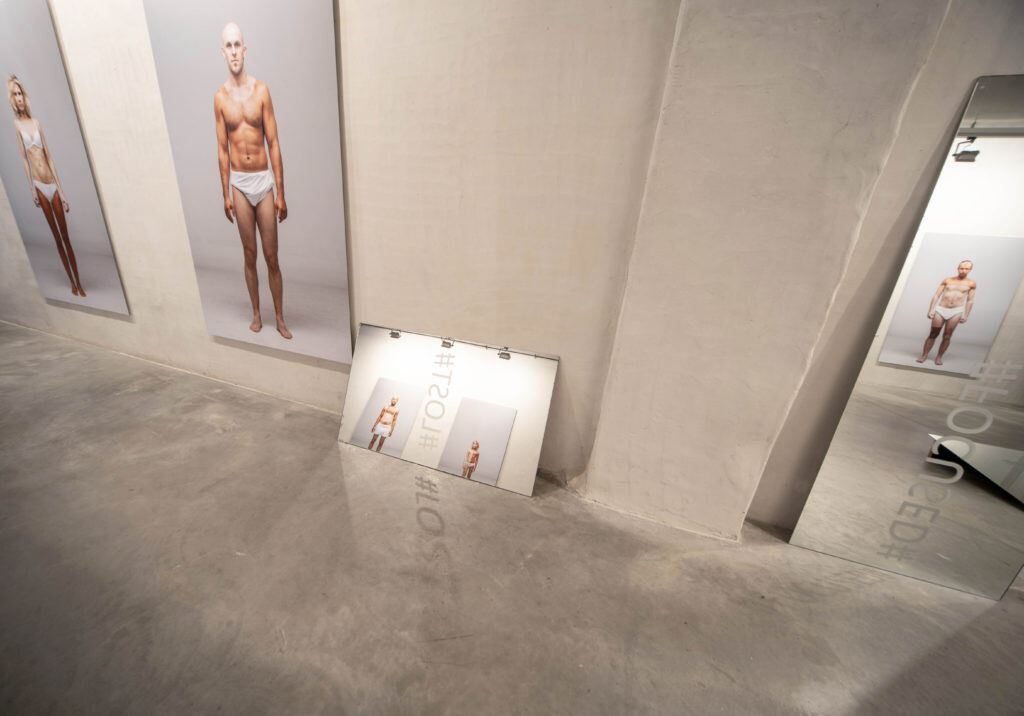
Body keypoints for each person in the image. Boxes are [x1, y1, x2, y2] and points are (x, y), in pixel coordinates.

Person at [214, 22, 291, 339]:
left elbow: (273, 143)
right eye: (228, 46)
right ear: (223, 52)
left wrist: (281, 192)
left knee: (272, 256)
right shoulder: (220, 98)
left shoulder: (262, 91)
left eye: (237, 45)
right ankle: (257, 314)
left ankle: (280, 318)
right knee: (249, 254)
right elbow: (222, 148)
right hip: (239, 184)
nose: (234, 51)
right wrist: (225, 194)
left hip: (263, 180)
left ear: (244, 50)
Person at [8, 75, 84, 297]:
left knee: (66, 238)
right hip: (40, 187)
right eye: (15, 94)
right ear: (12, 99)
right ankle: (72, 283)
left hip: (52, 184)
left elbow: (49, 157)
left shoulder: (37, 122)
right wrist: (32, 189)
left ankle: (80, 283)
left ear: (25, 97)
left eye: (21, 93)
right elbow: (24, 158)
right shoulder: (17, 124)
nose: (19, 98)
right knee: (57, 239)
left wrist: (62, 191)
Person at [917, 260, 976, 366]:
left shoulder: (971, 283)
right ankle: (924, 355)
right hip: (941, 309)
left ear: (970, 270)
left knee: (947, 336)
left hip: (956, 311)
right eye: (961, 268)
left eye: (966, 269)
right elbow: (936, 295)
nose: (963, 271)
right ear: (958, 268)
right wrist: (931, 309)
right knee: (933, 334)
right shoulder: (948, 280)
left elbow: (970, 300)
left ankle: (939, 357)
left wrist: (966, 315)